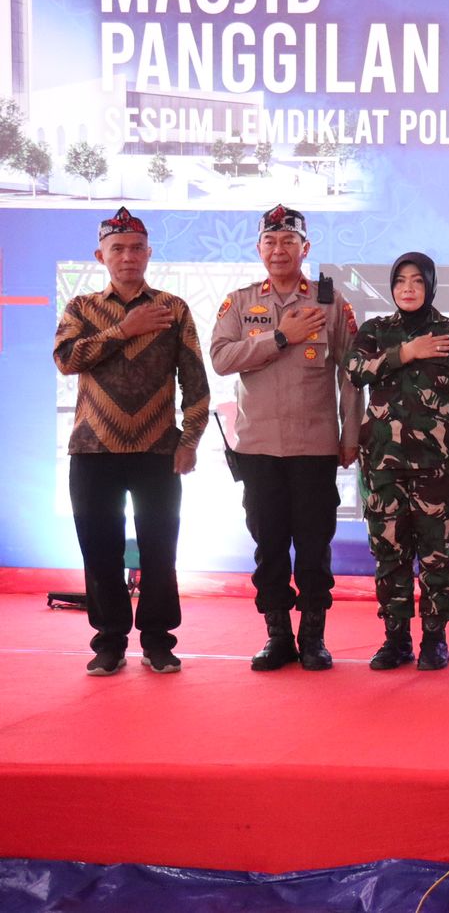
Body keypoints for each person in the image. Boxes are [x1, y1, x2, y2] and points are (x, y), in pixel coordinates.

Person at [54, 207, 209, 676]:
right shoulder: (81, 307)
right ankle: (109, 641)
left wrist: (190, 440)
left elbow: (196, 382)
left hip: (158, 450)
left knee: (161, 550)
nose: (127, 257)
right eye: (117, 248)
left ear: (149, 253)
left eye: (137, 248)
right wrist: (125, 330)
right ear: (99, 255)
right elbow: (66, 359)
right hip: (92, 449)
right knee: (99, 550)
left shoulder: (172, 309)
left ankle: (159, 641)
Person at [210, 206, 361, 673]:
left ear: (305, 248)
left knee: (314, 547)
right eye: (270, 242)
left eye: (289, 242)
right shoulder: (238, 303)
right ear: (259, 249)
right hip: (258, 449)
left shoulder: (331, 303)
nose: (279, 250)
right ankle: (277, 636)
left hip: (315, 448)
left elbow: (351, 375)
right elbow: (221, 359)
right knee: (269, 546)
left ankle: (313, 637)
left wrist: (351, 435)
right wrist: (279, 337)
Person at [344, 253, 449, 672]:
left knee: (438, 555)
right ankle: (396, 638)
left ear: (431, 285)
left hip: (439, 467)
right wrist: (405, 352)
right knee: (389, 552)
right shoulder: (375, 331)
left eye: (417, 281)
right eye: (400, 281)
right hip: (383, 466)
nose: (408, 288)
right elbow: (354, 370)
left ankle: (435, 639)